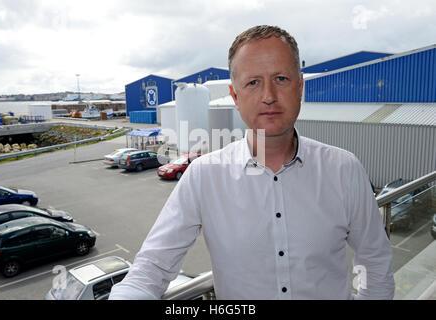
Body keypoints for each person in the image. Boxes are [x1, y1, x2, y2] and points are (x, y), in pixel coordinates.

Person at [109, 25, 395, 300]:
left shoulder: (344, 169)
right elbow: (152, 267)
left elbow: (374, 258)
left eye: (281, 79)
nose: (269, 96)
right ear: (235, 95)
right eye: (253, 82)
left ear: (300, 88)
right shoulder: (204, 176)